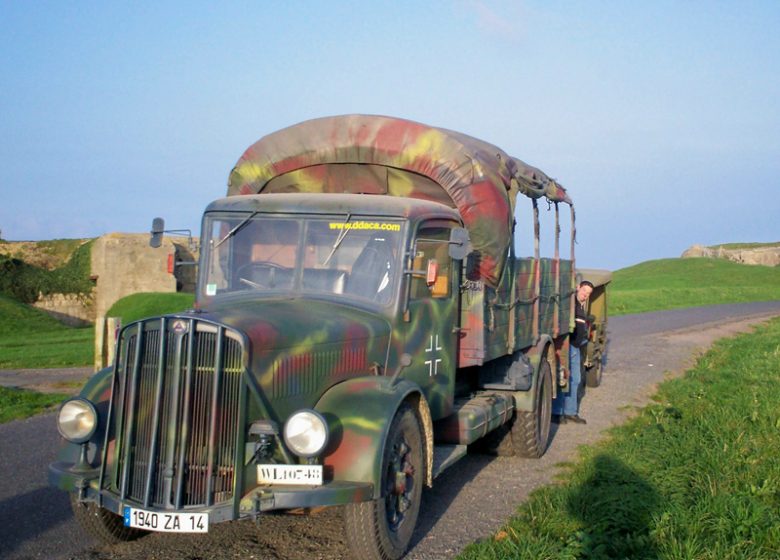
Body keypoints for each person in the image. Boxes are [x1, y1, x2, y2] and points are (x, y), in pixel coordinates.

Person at [553, 280, 594, 424]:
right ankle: (557, 412)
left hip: (576, 348)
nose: (585, 295)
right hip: (566, 346)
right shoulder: (570, 304)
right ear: (578, 288)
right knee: (563, 378)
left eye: (588, 294)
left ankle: (571, 412)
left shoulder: (581, 307)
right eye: (584, 291)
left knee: (575, 379)